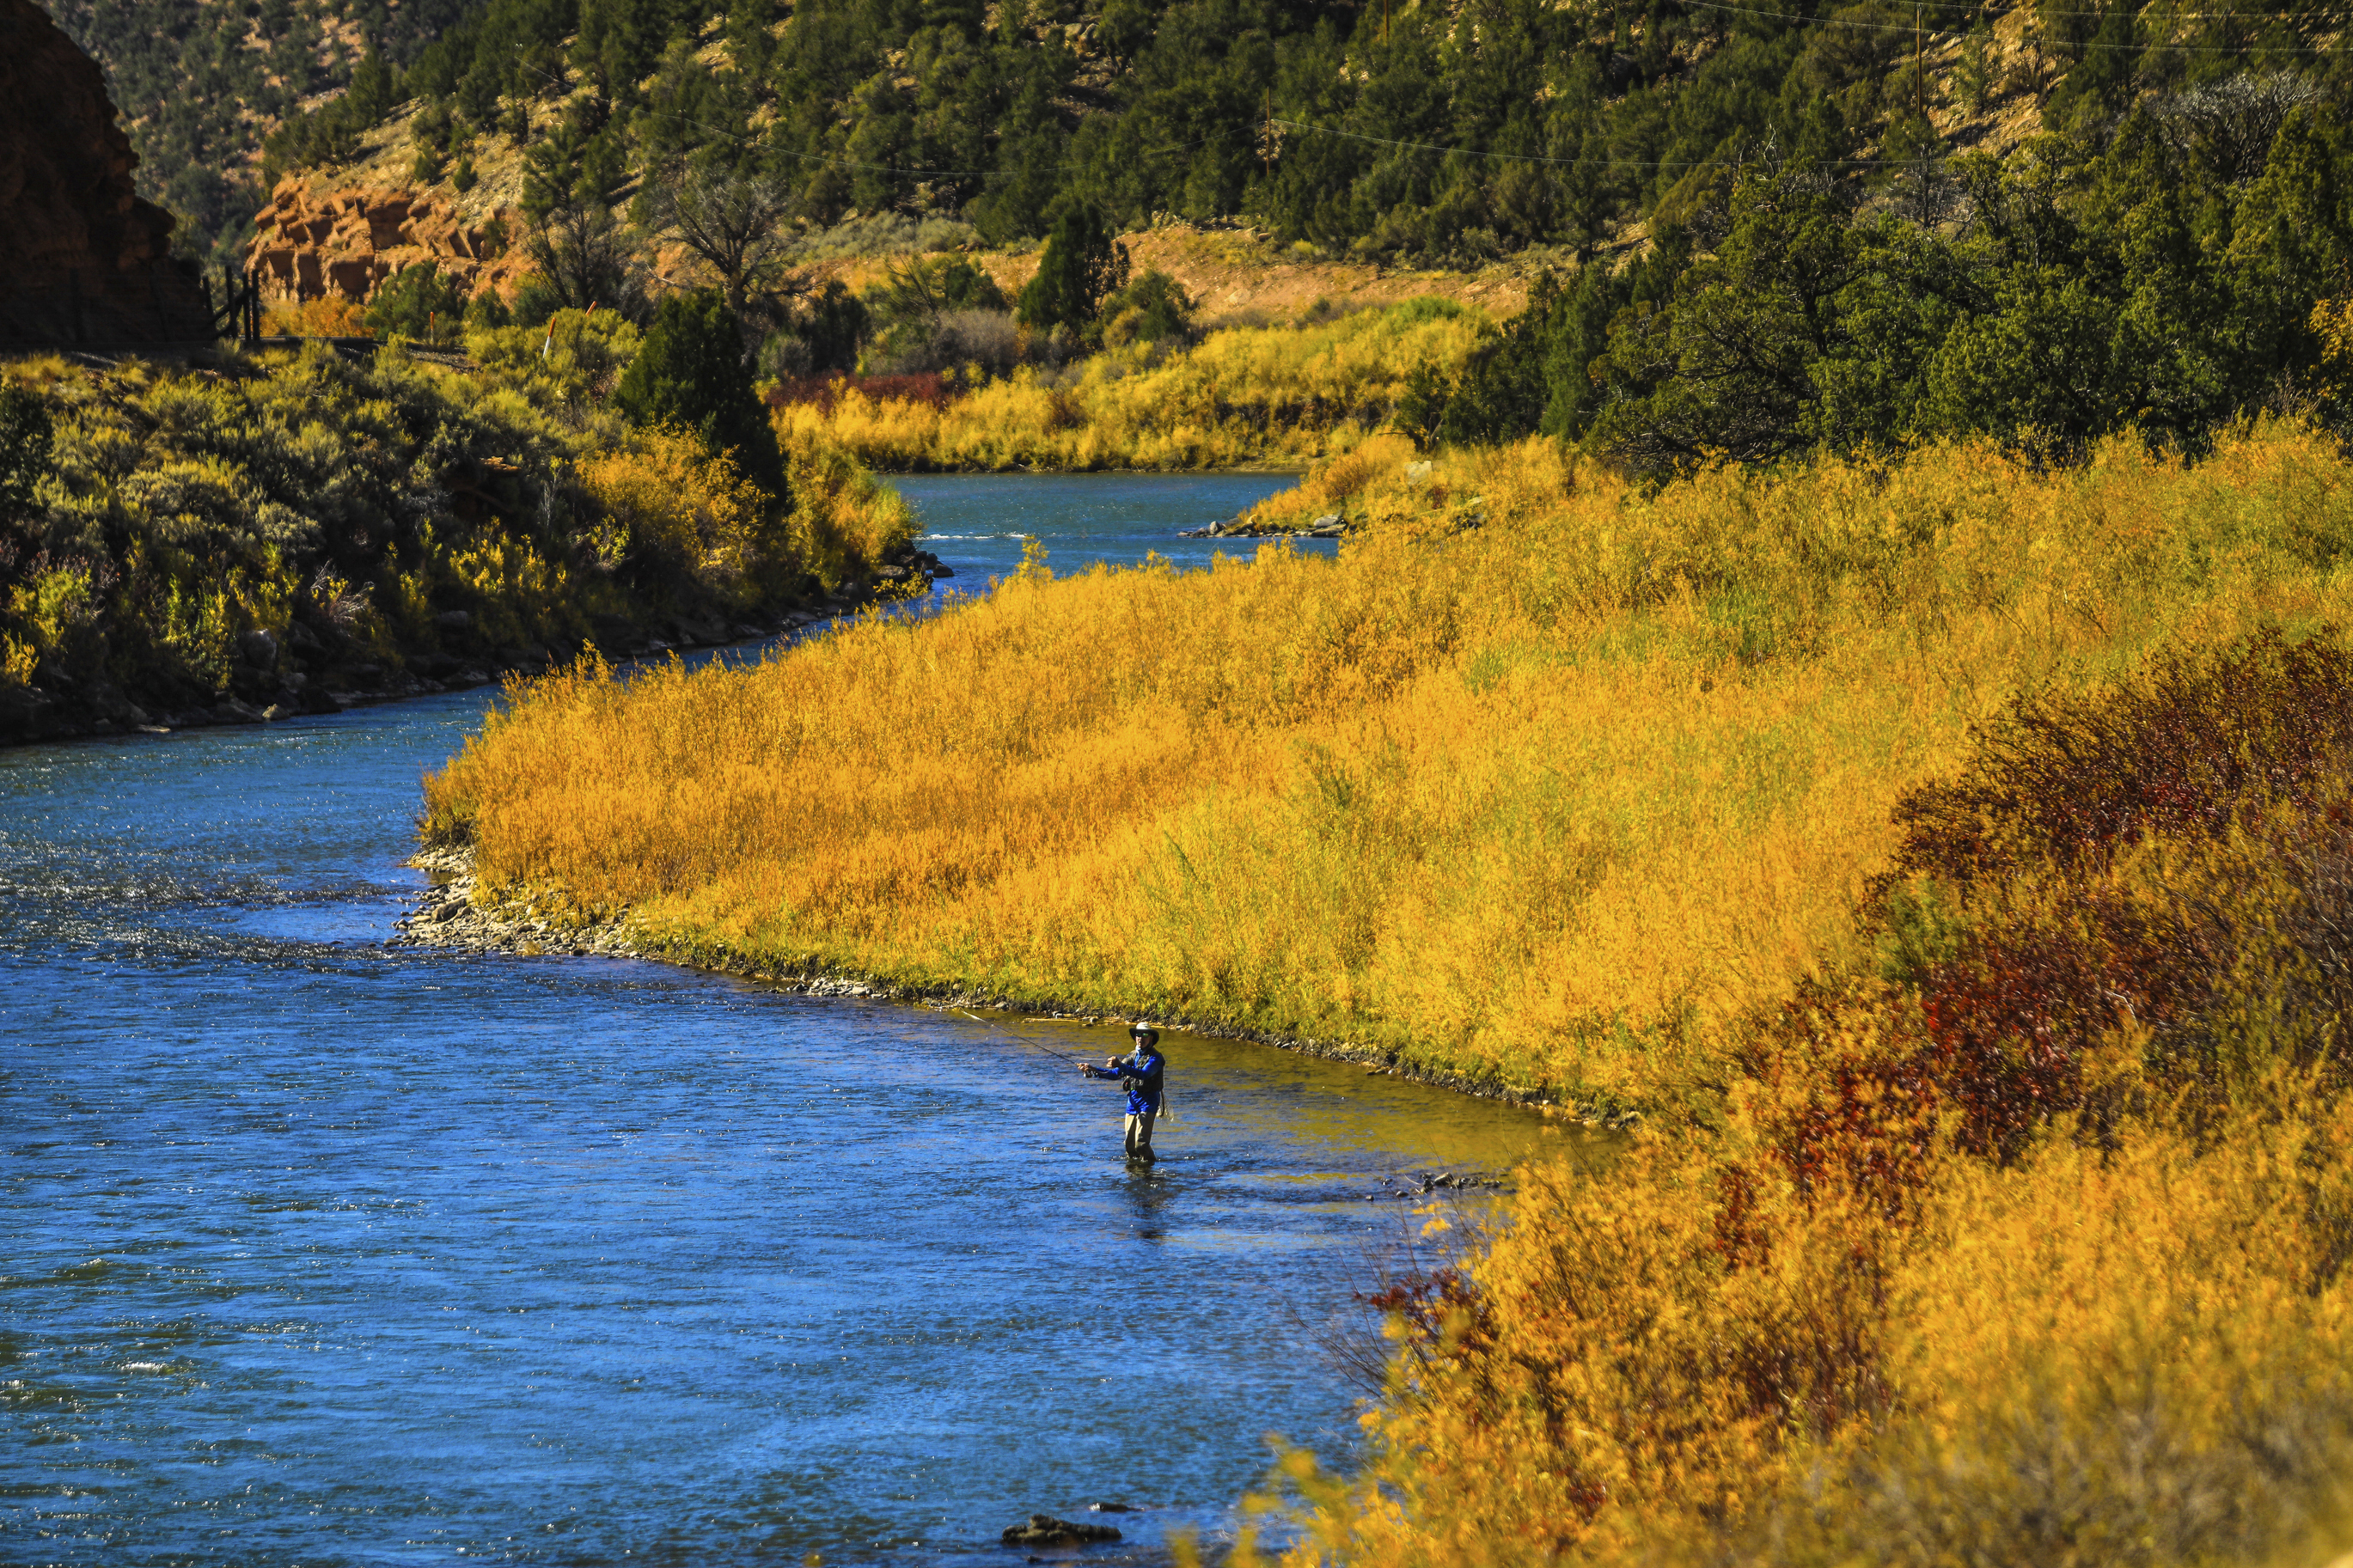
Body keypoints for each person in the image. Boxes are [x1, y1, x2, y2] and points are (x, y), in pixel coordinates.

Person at [1082, 1024, 1166, 1162]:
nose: (1141, 1038)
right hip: (1133, 1100)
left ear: (1151, 1037)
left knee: (1141, 1144)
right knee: (1130, 1146)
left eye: (1145, 1035)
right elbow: (1115, 1074)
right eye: (1138, 1035)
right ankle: (1134, 1174)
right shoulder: (1132, 1055)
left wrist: (1120, 1065)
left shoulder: (1156, 1058)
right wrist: (1092, 1069)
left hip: (1149, 1101)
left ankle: (1150, 1170)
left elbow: (1144, 1074)